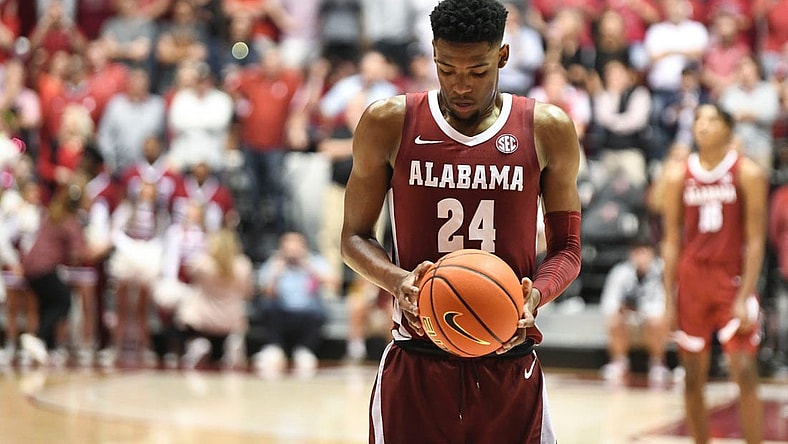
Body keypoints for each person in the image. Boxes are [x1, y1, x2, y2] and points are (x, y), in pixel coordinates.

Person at [339, 0, 582, 442]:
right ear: (432, 53)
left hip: (509, 362)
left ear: (502, 57)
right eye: (447, 69)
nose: (461, 85)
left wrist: (537, 295)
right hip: (416, 360)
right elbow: (353, 237)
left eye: (477, 70)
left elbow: (567, 248)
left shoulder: (546, 128)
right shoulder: (388, 122)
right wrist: (398, 281)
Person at [661, 103, 766, 444]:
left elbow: (755, 239)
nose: (702, 126)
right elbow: (671, 240)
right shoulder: (678, 174)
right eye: (697, 120)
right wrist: (668, 299)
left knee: (745, 372)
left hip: (730, 277)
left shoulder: (747, 172)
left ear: (727, 128)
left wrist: (744, 293)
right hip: (692, 279)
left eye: (711, 120)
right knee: (692, 377)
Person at [253, 231, 339, 378]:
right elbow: (265, 292)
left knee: (319, 312)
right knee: (267, 307)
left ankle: (305, 349)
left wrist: (309, 267)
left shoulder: (314, 261)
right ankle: (275, 348)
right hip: (281, 311)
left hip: (307, 312)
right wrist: (277, 273)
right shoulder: (274, 263)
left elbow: (334, 282)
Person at [599, 238, 670, 386]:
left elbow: (664, 305)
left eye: (644, 251)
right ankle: (619, 362)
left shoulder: (662, 271)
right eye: (637, 251)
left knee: (657, 321)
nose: (641, 256)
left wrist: (640, 309)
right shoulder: (620, 272)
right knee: (614, 320)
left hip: (652, 322)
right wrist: (621, 309)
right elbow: (608, 305)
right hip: (628, 323)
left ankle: (657, 363)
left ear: (652, 253)